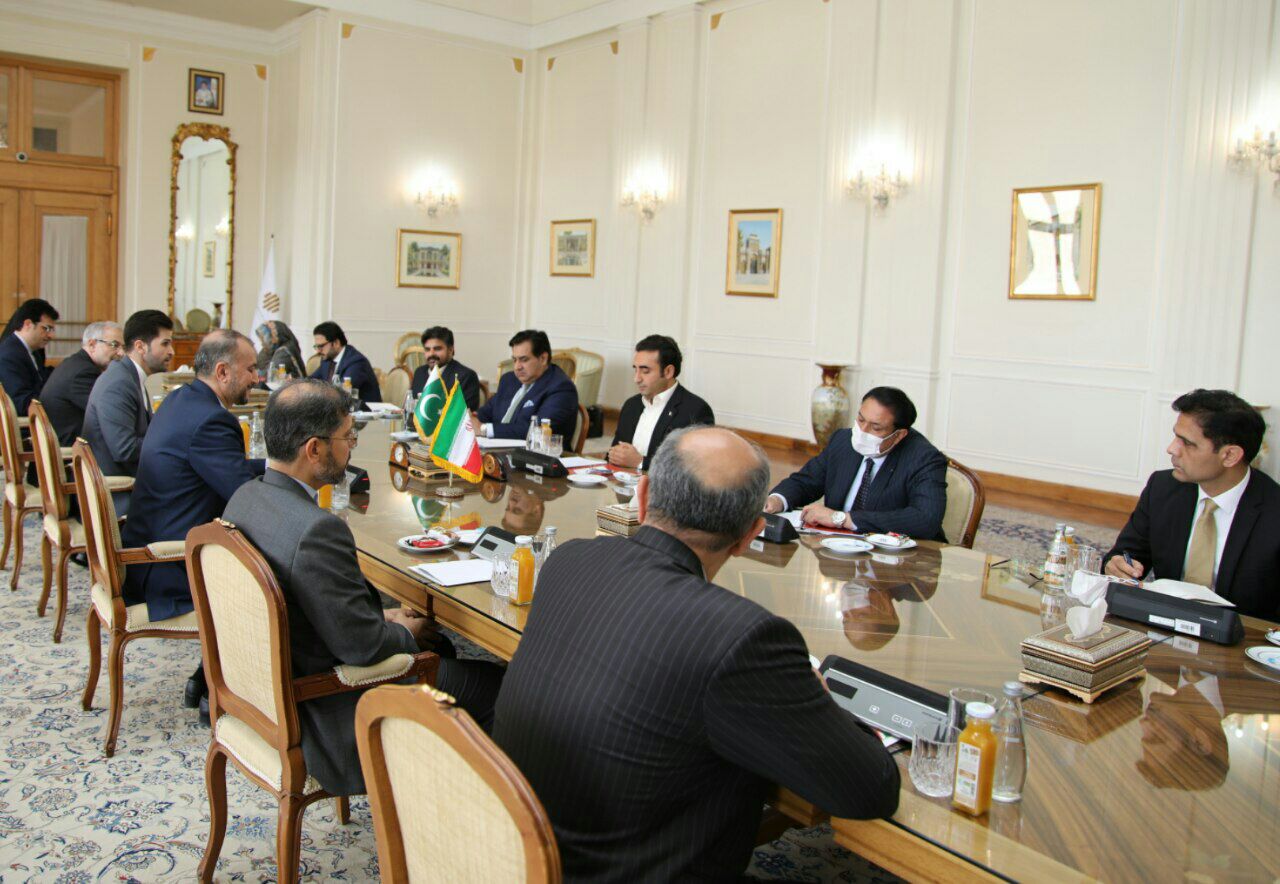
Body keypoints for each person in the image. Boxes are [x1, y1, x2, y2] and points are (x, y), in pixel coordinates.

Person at [493, 426, 900, 880]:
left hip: (513, 853)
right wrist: (817, 696)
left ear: (642, 497)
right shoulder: (743, 638)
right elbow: (870, 788)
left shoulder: (569, 561)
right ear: (750, 535)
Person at [223, 379, 504, 795]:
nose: (351, 446)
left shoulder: (245, 497)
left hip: (263, 695)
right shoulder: (316, 531)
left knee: (443, 650)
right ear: (314, 449)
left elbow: (305, 605)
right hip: (330, 714)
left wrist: (384, 614)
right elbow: (364, 648)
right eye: (347, 436)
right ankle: (448, 813)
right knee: (502, 688)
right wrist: (404, 630)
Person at [122, 330, 265, 627]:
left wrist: (275, 466)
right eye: (251, 369)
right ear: (222, 372)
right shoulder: (213, 420)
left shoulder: (180, 398)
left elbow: (224, 467)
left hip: (147, 553)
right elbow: (247, 498)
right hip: (170, 568)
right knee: (280, 576)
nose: (256, 378)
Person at [1104, 389, 1279, 620]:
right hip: (1164, 623)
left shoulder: (1273, 511)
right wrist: (1117, 565)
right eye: (1176, 437)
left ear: (1229, 455)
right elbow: (1126, 554)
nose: (1172, 449)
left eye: (1187, 443)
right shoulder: (1162, 488)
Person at [765, 386, 948, 541]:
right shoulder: (843, 440)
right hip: (838, 549)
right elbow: (806, 481)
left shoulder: (924, 459)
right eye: (860, 419)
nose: (863, 431)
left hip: (901, 559)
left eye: (875, 427)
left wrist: (842, 519)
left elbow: (925, 519)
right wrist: (776, 500)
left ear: (899, 435)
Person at [82, 311, 174, 509]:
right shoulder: (119, 383)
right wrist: (172, 442)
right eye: (165, 344)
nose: (171, 351)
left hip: (133, 480)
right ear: (140, 346)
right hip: (116, 495)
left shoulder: (128, 376)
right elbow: (126, 449)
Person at [608, 334, 714, 470]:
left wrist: (641, 463)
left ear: (668, 371)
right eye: (635, 369)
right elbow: (613, 456)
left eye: (645, 371)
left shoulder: (696, 410)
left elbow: (694, 468)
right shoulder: (631, 405)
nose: (636, 378)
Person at [474, 329, 577, 441]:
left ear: (543, 358)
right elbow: (487, 412)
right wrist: (472, 419)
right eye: (515, 360)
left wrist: (484, 429)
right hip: (496, 447)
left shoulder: (561, 388)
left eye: (524, 360)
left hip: (534, 451)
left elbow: (537, 430)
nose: (517, 367)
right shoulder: (508, 380)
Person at [39, 321, 124, 446]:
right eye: (114, 345)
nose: (121, 353)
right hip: (74, 450)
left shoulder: (75, 363)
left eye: (123, 347)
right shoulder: (83, 373)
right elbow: (110, 412)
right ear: (92, 344)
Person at [0, 298, 59, 415]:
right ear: (28, 324)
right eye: (46, 328)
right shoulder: (9, 355)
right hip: (28, 422)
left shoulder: (33, 351)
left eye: (52, 329)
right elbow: (21, 403)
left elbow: (42, 381)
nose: (51, 335)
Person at [309, 321, 381, 406]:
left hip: (363, 411)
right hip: (338, 408)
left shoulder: (356, 362)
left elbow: (342, 393)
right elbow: (311, 380)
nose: (318, 351)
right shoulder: (327, 360)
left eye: (321, 346)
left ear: (336, 343)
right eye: (316, 347)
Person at [408, 325, 480, 410]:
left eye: (437, 349)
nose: (431, 354)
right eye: (427, 349)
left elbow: (465, 414)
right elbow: (412, 407)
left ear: (450, 350)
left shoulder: (466, 376)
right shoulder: (419, 372)